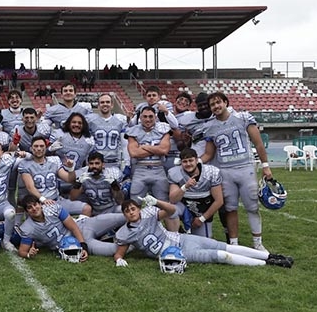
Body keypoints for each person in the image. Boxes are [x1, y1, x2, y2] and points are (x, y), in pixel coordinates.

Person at [112, 198, 293, 269]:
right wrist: (119, 259)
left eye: (133, 209)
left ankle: (270, 256)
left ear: (138, 208)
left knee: (225, 246)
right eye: (127, 211)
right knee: (222, 255)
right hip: (175, 253)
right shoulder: (125, 233)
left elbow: (171, 210)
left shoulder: (149, 213)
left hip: (181, 238)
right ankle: (265, 264)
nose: (131, 212)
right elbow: (119, 252)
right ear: (124, 214)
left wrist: (157, 202)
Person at [201, 92, 273, 251]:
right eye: (212, 105)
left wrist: (265, 165)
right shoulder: (210, 126)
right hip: (225, 171)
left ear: (225, 102)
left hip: (245, 167)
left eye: (218, 102)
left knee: (252, 206)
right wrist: (195, 162)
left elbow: (258, 143)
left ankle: (258, 243)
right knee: (230, 208)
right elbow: (208, 154)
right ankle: (233, 243)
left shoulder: (243, 117)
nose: (216, 106)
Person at [16, 194, 122, 260]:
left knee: (117, 218)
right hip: (70, 244)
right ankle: (133, 242)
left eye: (35, 205)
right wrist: (28, 254)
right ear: (26, 212)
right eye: (30, 208)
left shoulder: (52, 208)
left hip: (82, 227)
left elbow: (73, 227)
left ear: (40, 204)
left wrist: (83, 245)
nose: (34, 208)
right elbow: (22, 251)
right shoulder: (28, 228)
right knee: (116, 250)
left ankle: (137, 219)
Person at [18, 135, 89, 216]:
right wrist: (43, 200)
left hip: (57, 200)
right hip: (39, 204)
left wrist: (70, 169)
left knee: (86, 209)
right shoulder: (25, 164)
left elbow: (68, 179)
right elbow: (30, 187)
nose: (39, 149)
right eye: (36, 146)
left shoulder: (54, 160)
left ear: (46, 147)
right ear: (31, 148)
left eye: (41, 146)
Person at [167, 148, 223, 238]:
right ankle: (173, 240)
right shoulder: (175, 172)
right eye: (185, 161)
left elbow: (219, 201)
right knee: (169, 210)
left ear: (197, 160)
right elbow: (173, 199)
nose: (188, 164)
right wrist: (185, 187)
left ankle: (186, 233)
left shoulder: (211, 173)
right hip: (183, 207)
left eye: (191, 160)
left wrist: (202, 219)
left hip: (202, 210)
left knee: (204, 242)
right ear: (181, 163)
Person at [125, 106, 171, 202]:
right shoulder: (133, 130)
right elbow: (134, 153)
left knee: (163, 201)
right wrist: (156, 149)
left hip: (158, 168)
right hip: (140, 169)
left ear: (155, 117)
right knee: (135, 201)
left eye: (151, 116)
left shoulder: (164, 128)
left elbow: (164, 150)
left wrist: (144, 147)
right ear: (140, 118)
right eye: (145, 117)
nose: (148, 119)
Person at [86, 93, 130, 171]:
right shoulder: (91, 121)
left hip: (114, 163)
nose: (105, 104)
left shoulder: (120, 120)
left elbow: (124, 145)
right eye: (102, 102)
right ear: (98, 105)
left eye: (107, 102)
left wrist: (127, 163)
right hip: (96, 164)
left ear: (112, 105)